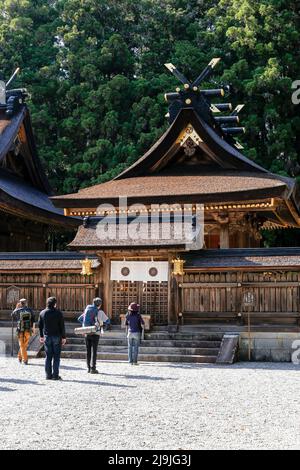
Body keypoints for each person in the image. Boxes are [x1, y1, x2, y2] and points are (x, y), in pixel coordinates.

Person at [78, 297, 109, 374]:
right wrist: (101, 324)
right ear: (100, 305)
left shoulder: (87, 310)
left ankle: (88, 368)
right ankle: (93, 368)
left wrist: (85, 327)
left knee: (88, 351)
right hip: (95, 333)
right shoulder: (100, 312)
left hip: (87, 332)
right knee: (94, 351)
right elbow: (108, 321)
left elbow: (79, 319)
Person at [38, 297, 66, 381]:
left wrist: (41, 336)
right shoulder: (58, 313)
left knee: (48, 356)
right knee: (56, 356)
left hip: (47, 336)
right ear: (54, 304)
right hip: (57, 336)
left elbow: (40, 326)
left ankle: (48, 375)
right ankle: (55, 375)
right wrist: (64, 337)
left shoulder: (42, 313)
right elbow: (62, 326)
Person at [12, 299, 35, 365]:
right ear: (26, 303)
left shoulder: (17, 310)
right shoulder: (30, 310)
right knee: (24, 344)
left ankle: (23, 359)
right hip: (28, 329)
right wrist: (33, 328)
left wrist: (16, 308)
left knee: (22, 345)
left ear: (20, 303)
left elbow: (12, 315)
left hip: (20, 329)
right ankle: (24, 359)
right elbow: (33, 319)